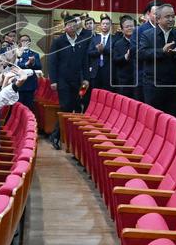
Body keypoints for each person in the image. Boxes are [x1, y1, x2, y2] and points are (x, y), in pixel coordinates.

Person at [48, 15, 90, 149]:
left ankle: (71, 139)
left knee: (77, 107)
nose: (72, 27)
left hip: (78, 81)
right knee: (65, 107)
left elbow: (85, 61)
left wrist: (86, 78)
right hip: (62, 80)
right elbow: (52, 62)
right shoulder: (58, 41)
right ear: (65, 27)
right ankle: (56, 136)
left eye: (74, 24)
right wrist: (53, 80)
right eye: (69, 25)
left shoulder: (82, 41)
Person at [138, 4, 176, 116]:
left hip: (173, 85)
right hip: (153, 85)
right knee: (153, 118)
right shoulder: (147, 35)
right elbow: (141, 53)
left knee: (172, 119)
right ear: (158, 19)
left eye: (173, 16)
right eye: (167, 17)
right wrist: (161, 51)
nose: (171, 19)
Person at [110, 15, 138, 96]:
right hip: (124, 80)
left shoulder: (140, 41)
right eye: (127, 27)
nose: (130, 28)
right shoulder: (118, 44)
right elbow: (115, 60)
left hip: (138, 79)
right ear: (122, 30)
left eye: (132, 26)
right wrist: (125, 57)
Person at [87, 15, 114, 95]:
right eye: (103, 24)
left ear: (110, 25)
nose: (105, 25)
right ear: (100, 25)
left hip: (108, 71)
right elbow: (89, 52)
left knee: (108, 94)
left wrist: (103, 50)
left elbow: (115, 52)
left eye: (107, 24)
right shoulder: (94, 38)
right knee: (94, 93)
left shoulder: (115, 38)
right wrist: (99, 51)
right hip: (95, 70)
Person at [15, 33, 42, 110]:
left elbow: (39, 67)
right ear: (19, 42)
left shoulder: (35, 54)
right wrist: (26, 64)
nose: (25, 42)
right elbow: (16, 66)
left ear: (30, 42)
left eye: (27, 41)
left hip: (30, 84)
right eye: (22, 41)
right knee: (18, 106)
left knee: (29, 106)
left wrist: (32, 63)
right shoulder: (17, 53)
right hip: (19, 83)